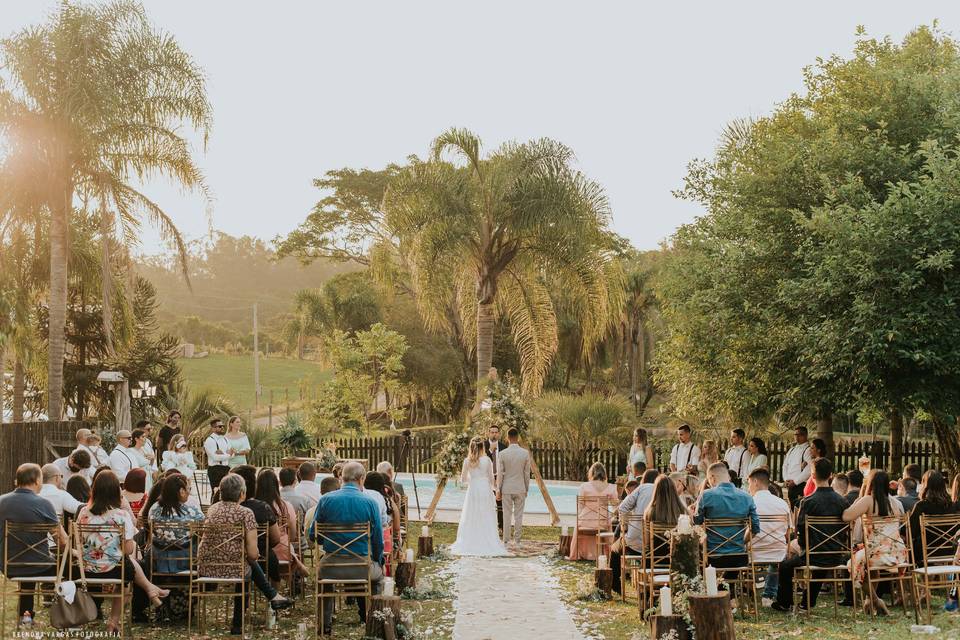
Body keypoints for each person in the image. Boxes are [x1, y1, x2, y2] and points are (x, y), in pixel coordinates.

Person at [75, 470, 170, 633]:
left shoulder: (83, 513)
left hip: (85, 570)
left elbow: (79, 543)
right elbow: (128, 549)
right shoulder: (121, 515)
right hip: (114, 570)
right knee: (126, 575)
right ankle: (114, 621)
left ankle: (150, 589)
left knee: (127, 567)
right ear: (115, 492)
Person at [198, 473, 294, 634]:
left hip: (206, 567)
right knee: (247, 563)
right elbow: (252, 553)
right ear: (242, 493)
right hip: (234, 569)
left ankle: (271, 597)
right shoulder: (245, 513)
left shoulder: (212, 509)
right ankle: (241, 621)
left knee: (244, 563)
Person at [311, 462, 384, 634]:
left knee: (324, 576)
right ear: (361, 479)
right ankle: (372, 620)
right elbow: (378, 540)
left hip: (330, 568)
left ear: (342, 478)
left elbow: (313, 535)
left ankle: (325, 625)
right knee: (379, 578)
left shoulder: (325, 500)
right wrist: (378, 560)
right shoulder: (370, 502)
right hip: (361, 568)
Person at [772, 458, 848, 612]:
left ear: (812, 476)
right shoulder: (842, 502)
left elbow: (800, 529)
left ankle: (784, 602)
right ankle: (807, 603)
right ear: (831, 476)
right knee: (820, 561)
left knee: (786, 566)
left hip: (813, 554)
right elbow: (845, 528)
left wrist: (803, 547)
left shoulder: (808, 502)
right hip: (837, 553)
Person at [0, 464, 68, 622]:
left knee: (28, 564)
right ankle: (71, 617)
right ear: (37, 480)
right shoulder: (44, 504)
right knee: (72, 570)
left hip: (8, 566)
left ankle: (26, 618)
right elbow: (63, 541)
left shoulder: (1, 501)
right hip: (39, 566)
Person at [843, 469, 908, 614]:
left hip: (878, 552)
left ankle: (877, 600)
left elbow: (846, 516)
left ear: (870, 483)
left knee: (853, 563)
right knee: (868, 564)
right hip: (898, 553)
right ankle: (868, 601)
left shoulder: (868, 500)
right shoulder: (894, 502)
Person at [694, 463, 760, 577]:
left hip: (712, 556)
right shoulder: (747, 497)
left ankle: (711, 587)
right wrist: (740, 542)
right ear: (728, 477)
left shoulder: (706, 495)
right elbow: (755, 528)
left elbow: (697, 524)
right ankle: (728, 587)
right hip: (739, 556)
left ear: (712, 478)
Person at [450, 437, 509, 557]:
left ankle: (472, 540)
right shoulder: (487, 460)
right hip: (484, 489)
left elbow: (463, 479)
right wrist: (496, 489)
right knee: (486, 514)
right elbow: (492, 480)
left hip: (473, 489)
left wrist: (473, 480)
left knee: (472, 514)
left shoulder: (467, 461)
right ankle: (487, 539)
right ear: (483, 447)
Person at [610, 471, 666, 595]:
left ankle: (615, 586)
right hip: (659, 546)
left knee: (614, 549)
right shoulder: (665, 490)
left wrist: (624, 527)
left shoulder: (642, 488)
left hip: (635, 543)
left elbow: (623, 508)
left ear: (644, 480)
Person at [746, 467, 791, 607]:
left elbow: (744, 531)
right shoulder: (782, 503)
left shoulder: (749, 503)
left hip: (753, 552)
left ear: (755, 482)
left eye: (749, 483)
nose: (748, 488)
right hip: (779, 552)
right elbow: (788, 534)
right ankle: (769, 594)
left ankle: (746, 590)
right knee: (776, 556)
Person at [232, 465, 282, 584]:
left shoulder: (221, 508)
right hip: (262, 557)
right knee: (270, 559)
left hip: (229, 557)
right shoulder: (262, 507)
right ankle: (273, 597)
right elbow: (275, 538)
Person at [256, 468, 309, 579]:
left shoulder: (252, 507)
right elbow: (293, 536)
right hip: (284, 552)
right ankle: (295, 573)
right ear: (276, 484)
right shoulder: (285, 506)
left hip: (257, 553)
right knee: (287, 547)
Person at [569, 462, 620, 561]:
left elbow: (580, 506)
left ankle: (577, 554)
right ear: (604, 473)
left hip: (586, 522)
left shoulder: (584, 486)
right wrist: (612, 516)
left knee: (577, 524)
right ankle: (608, 554)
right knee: (608, 522)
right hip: (602, 522)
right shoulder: (611, 487)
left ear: (591, 473)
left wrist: (581, 516)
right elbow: (615, 507)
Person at [908, 470, 956, 569]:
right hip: (950, 551)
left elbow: (911, 532)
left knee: (908, 548)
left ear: (926, 485)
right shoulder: (953, 506)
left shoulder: (922, 506)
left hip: (925, 552)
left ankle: (912, 582)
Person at [496, 427, 532, 546]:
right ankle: (517, 541)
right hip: (520, 487)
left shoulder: (502, 454)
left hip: (506, 487)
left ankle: (506, 540)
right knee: (518, 515)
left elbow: (500, 473)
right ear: (518, 437)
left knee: (506, 514)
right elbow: (527, 473)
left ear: (507, 438)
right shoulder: (525, 453)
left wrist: (498, 489)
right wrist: (526, 488)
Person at [363, 472, 401, 564]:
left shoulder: (361, 497)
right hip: (380, 545)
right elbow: (396, 527)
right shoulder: (385, 500)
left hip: (360, 545)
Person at [781, 426, 813, 508]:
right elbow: (785, 465)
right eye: (795, 435)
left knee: (799, 509)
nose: (797, 437)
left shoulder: (808, 450)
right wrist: (786, 479)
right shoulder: (792, 450)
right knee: (791, 508)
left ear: (806, 435)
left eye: (800, 435)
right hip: (789, 484)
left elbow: (808, 470)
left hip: (800, 485)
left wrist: (795, 482)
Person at [486, 424, 508, 533]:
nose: (494, 434)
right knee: (486, 502)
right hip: (486, 479)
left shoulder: (504, 447)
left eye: (496, 432)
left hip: (499, 479)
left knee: (500, 503)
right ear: (488, 433)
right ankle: (487, 526)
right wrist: (490, 451)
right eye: (492, 432)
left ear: (498, 434)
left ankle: (501, 527)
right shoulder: (483, 446)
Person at [203, 418, 231, 488]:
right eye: (219, 426)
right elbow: (215, 457)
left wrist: (223, 454)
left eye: (223, 426)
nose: (222, 428)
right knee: (216, 492)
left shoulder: (225, 439)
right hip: (215, 469)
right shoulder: (210, 440)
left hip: (226, 468)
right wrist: (228, 454)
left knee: (225, 492)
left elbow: (233, 453)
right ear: (213, 428)